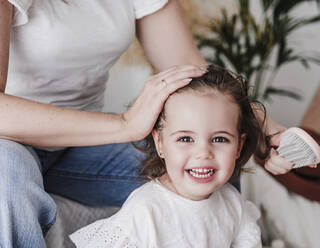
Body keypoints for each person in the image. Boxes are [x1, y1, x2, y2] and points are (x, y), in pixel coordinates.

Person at [0, 0, 291, 247]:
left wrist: (260, 124)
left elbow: (189, 68)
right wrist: (126, 124)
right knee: (7, 183)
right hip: (8, 137)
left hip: (83, 141)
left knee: (214, 171)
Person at [70, 65, 266, 247]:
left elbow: (247, 238)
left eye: (219, 139)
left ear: (239, 145)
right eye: (186, 139)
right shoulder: (145, 212)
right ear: (160, 143)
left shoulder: (231, 201)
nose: (203, 153)